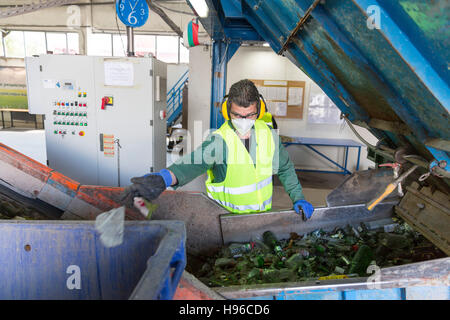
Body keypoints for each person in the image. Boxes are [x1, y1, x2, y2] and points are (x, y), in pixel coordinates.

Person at [121, 79, 314, 218]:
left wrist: (298, 197)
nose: (245, 121)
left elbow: (285, 168)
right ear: (227, 111)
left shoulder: (268, 134)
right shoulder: (219, 141)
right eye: (238, 115)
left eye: (251, 115)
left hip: (261, 218)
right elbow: (191, 164)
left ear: (259, 111)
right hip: (225, 220)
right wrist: (164, 178)